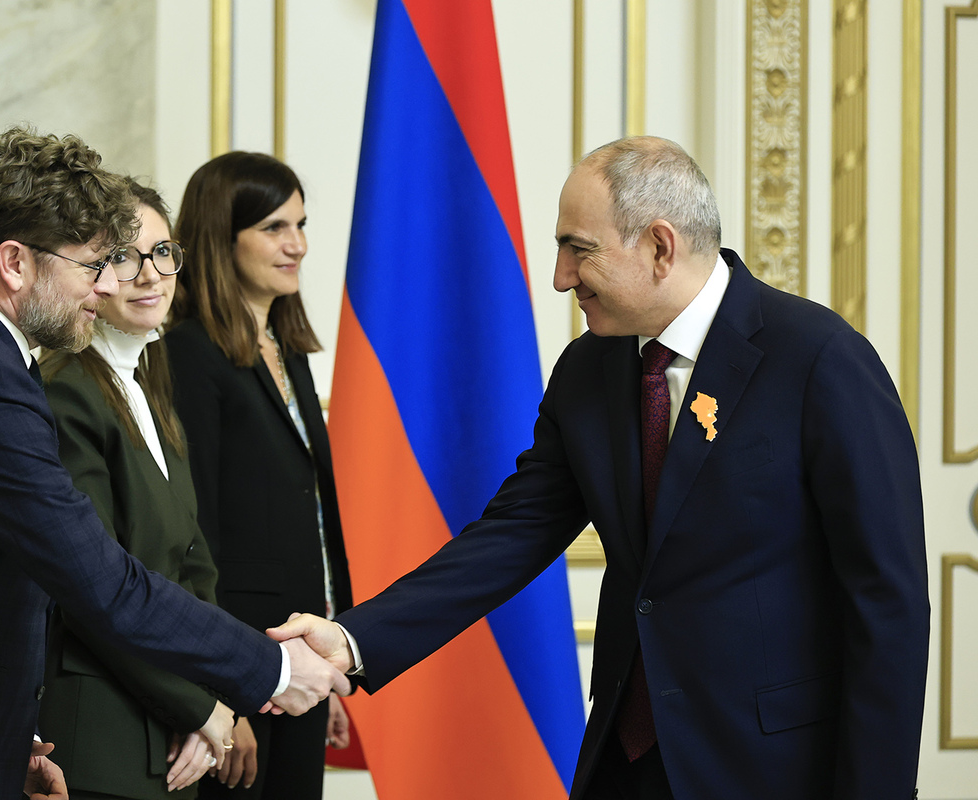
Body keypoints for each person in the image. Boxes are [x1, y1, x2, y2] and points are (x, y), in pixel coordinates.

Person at [272, 136, 930, 800]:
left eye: (577, 249)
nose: (560, 277)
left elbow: (887, 603)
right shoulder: (588, 369)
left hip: (768, 766)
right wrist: (353, 639)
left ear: (659, 247)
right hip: (626, 760)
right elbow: (512, 535)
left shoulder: (819, 360)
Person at [0, 128, 348, 800]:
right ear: (15, 262)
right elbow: (98, 579)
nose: (106, 285)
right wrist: (272, 668)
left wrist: (5, 731)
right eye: (90, 265)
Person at [166, 151, 353, 799]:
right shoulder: (188, 352)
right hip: (242, 669)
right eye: (275, 228)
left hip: (299, 663)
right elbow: (198, 533)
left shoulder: (288, 351)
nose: (297, 245)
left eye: (301, 226)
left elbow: (314, 518)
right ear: (221, 238)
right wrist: (227, 693)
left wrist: (321, 673)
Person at [37, 180, 232, 799]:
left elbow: (192, 565)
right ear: (90, 271)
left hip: (167, 734)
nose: (150, 275)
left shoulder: (145, 384)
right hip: (102, 741)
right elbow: (94, 587)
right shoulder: (68, 388)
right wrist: (200, 710)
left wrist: (208, 696)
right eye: (122, 256)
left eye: (162, 252)